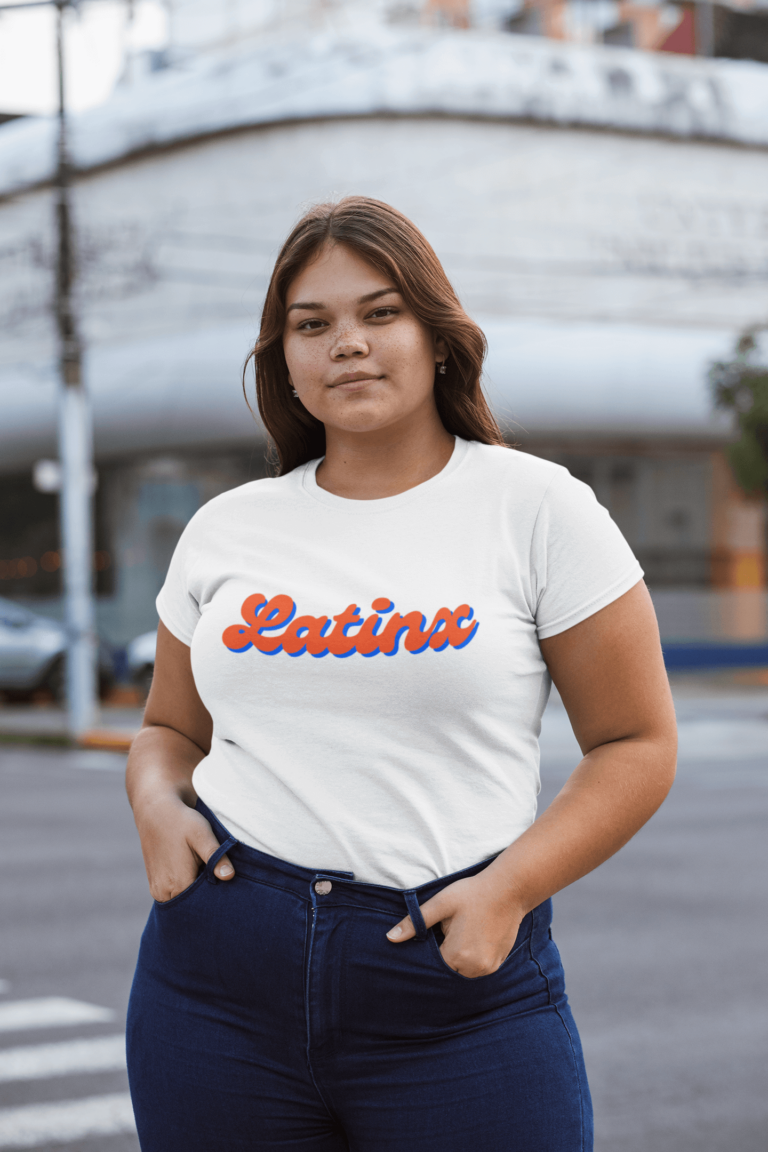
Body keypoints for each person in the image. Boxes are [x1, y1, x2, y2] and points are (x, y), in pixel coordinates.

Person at [125, 196, 677, 1152]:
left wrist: (509, 891)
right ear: (284, 361)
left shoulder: (536, 508)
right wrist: (153, 805)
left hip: (453, 988)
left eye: (380, 313)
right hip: (214, 987)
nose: (348, 343)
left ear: (438, 338)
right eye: (312, 325)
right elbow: (170, 730)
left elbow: (637, 743)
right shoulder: (227, 528)